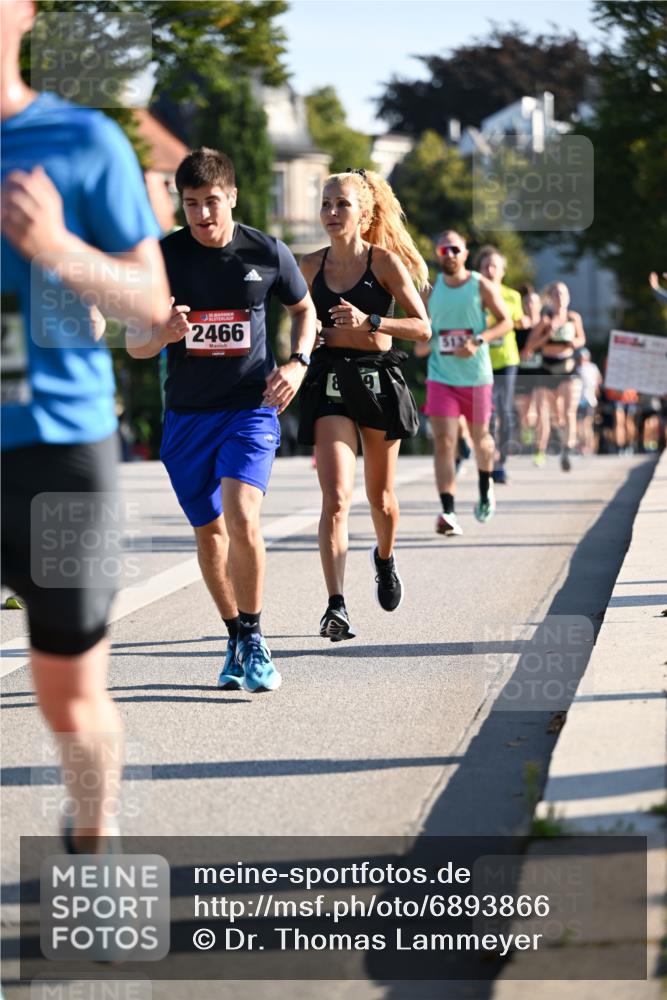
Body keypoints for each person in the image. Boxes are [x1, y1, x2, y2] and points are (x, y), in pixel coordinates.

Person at [1, 0, 169, 853]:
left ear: (24, 12)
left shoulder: (81, 140)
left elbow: (150, 302)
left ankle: (96, 833)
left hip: (56, 453)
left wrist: (55, 245)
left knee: (67, 689)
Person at [128, 148, 316, 692]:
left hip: (250, 408)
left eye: (212, 202)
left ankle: (255, 637)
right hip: (186, 416)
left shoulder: (266, 250)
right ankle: (234, 633)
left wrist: (298, 364)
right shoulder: (165, 258)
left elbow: (303, 310)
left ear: (232, 196)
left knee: (242, 515)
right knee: (210, 536)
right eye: (191, 205)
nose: (203, 215)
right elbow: (136, 344)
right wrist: (161, 333)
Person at [297, 168, 430, 641]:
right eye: (326, 204)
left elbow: (422, 327)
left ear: (365, 213)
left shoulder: (384, 263)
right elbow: (285, 312)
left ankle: (385, 557)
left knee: (382, 501)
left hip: (377, 383)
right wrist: (303, 344)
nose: (332, 213)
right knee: (335, 499)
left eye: (342, 205)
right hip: (330, 383)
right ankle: (336, 605)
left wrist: (371, 319)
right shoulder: (308, 267)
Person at [415, 230, 511, 536]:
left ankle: (485, 486)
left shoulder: (479, 285)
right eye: (444, 250)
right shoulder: (430, 290)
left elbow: (505, 321)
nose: (450, 255)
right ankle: (448, 510)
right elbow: (421, 329)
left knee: (481, 439)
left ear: (465, 253)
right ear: (437, 254)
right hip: (441, 376)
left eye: (455, 249)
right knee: (444, 442)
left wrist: (478, 340)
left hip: (476, 376)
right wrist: (424, 340)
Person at [524, 281, 586, 471]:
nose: (559, 298)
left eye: (563, 294)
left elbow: (582, 339)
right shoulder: (545, 319)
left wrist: (573, 343)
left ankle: (567, 449)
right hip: (547, 367)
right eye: (556, 295)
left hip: (567, 367)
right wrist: (547, 334)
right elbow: (530, 346)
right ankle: (540, 449)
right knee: (546, 413)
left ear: (568, 298)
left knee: (569, 411)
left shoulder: (573, 318)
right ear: (550, 298)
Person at [476, 246, 524, 484]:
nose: (491, 270)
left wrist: (525, 322)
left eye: (495, 266)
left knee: (504, 411)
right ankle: (489, 459)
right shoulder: (474, 294)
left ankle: (501, 461)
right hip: (481, 361)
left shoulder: (512, 296)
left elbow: (518, 322)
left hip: (506, 360)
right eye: (486, 266)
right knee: (487, 413)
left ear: (503, 271)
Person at [575, 348, 602, 455]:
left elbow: (598, 382)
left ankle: (587, 446)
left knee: (586, 424)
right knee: (582, 424)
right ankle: (586, 446)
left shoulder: (588, 368)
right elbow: (599, 381)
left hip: (588, 400)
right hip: (582, 400)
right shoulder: (584, 368)